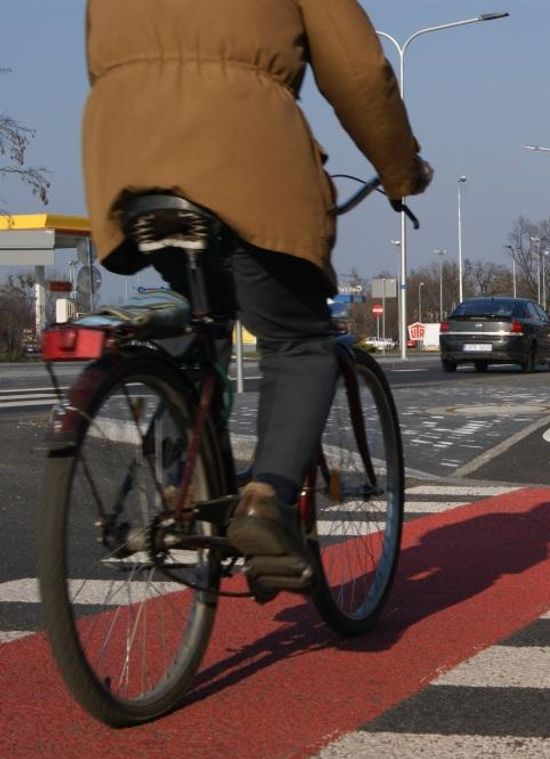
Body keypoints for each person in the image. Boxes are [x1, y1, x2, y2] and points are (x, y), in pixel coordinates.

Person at [82, 0, 432, 583]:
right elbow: (357, 72)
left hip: (126, 159)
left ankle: (181, 479)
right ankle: (266, 502)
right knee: (298, 343)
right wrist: (399, 170)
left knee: (203, 318)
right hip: (242, 152)